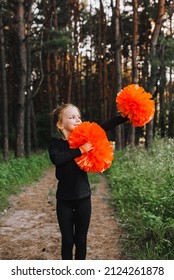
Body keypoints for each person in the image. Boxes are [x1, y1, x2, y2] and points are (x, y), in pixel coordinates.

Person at [48, 103, 127, 260]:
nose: (78, 120)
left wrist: (123, 117)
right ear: (60, 123)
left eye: (79, 117)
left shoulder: (86, 138)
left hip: (84, 199)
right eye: (72, 117)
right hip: (64, 200)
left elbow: (104, 126)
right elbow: (57, 159)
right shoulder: (56, 144)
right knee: (68, 240)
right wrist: (80, 150)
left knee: (81, 240)